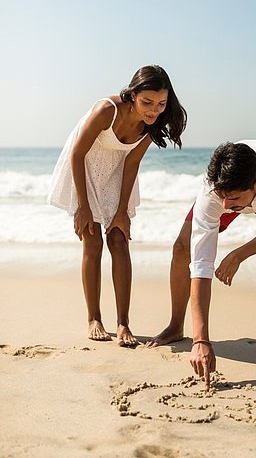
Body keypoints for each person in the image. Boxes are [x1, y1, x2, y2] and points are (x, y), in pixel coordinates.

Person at [148, 140, 256, 386]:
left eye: (232, 199)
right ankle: (175, 325)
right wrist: (200, 340)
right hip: (235, 188)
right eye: (221, 197)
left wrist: (238, 254)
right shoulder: (214, 192)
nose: (226, 207)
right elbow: (201, 262)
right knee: (182, 248)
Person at [48, 65, 186, 346]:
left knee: (120, 240)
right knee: (93, 240)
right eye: (147, 102)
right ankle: (94, 318)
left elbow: (132, 162)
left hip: (116, 174)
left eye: (161, 103)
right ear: (132, 94)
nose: (154, 110)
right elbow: (77, 153)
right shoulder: (106, 110)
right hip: (84, 169)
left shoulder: (154, 122)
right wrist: (83, 207)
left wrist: (122, 210)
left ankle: (123, 323)